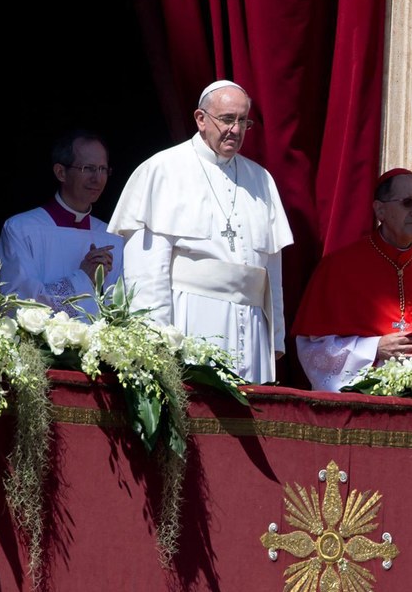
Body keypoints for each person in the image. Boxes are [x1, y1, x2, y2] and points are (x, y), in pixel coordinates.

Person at [109, 81, 292, 383]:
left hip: (252, 326)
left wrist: (275, 339)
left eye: (243, 121)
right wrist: (155, 340)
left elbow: (272, 270)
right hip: (191, 321)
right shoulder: (163, 170)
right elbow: (146, 270)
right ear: (201, 119)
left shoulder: (261, 180)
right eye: (227, 119)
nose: (236, 129)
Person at [293, 168, 412, 392]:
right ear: (380, 210)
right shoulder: (339, 267)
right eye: (407, 202)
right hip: (363, 402)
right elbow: (313, 351)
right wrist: (373, 348)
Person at [0, 130, 123, 318]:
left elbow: (121, 309)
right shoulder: (21, 229)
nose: (98, 178)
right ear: (61, 172)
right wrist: (83, 278)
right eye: (88, 168)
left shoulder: (111, 236)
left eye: (103, 169)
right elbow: (18, 305)